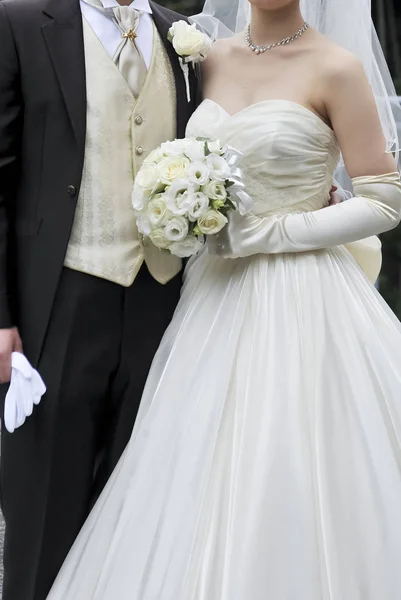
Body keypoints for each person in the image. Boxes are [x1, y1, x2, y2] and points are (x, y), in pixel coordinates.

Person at [39, 0, 401, 597]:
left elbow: (383, 200)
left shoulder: (337, 68)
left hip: (303, 294)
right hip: (210, 294)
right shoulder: (203, 61)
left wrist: (274, 233)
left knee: (291, 450)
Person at [0, 0, 199, 598]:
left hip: (161, 304)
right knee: (44, 511)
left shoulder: (180, 37)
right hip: (58, 301)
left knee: (140, 509)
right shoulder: (18, 24)